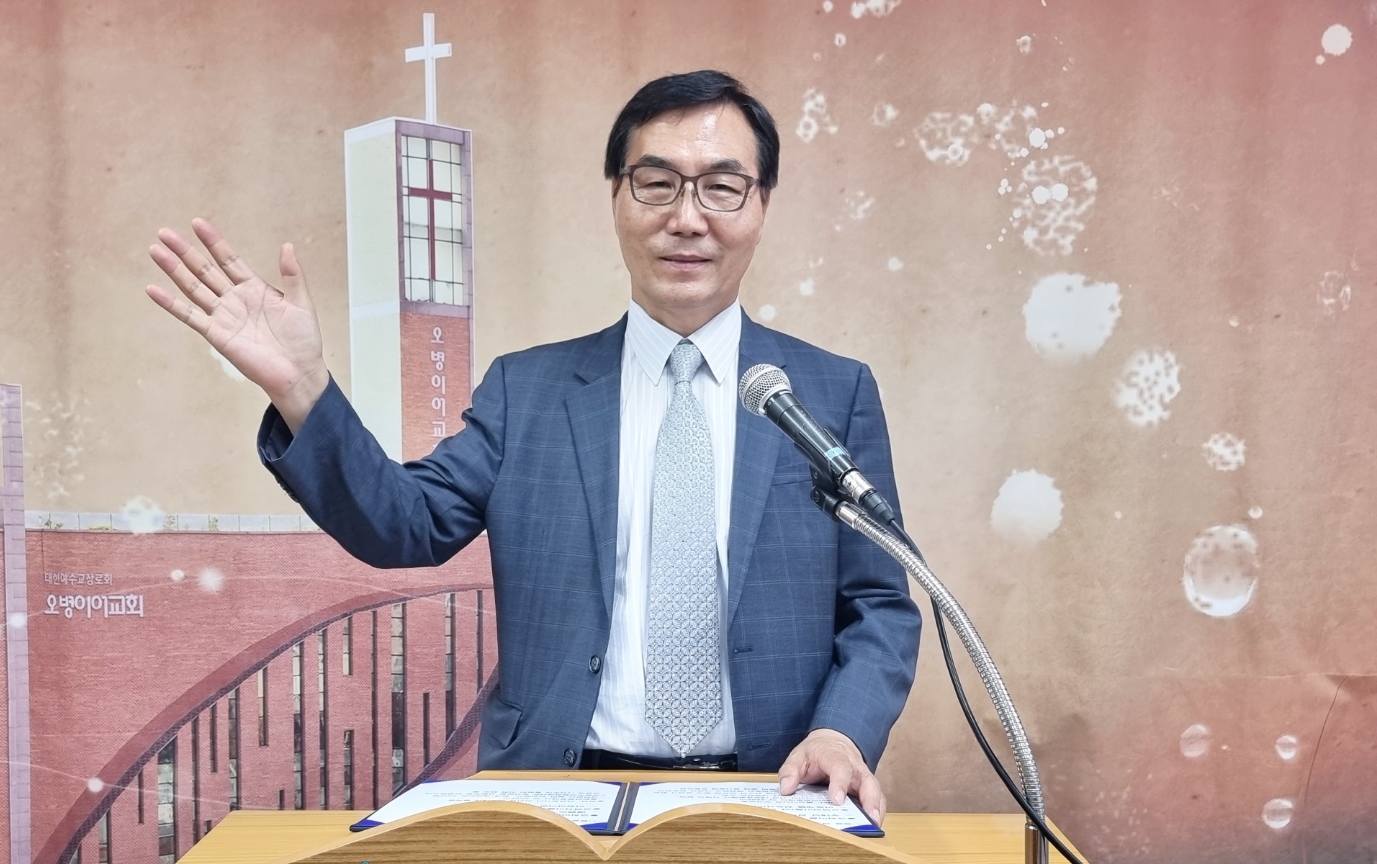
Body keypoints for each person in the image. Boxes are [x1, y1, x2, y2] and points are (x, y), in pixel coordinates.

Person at [146, 70, 920, 821]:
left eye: (722, 187)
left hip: (773, 792)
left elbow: (880, 603)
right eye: (657, 184)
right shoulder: (529, 392)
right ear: (616, 196)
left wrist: (843, 731)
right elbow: (403, 524)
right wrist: (304, 390)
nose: (687, 218)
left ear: (761, 204)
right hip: (559, 793)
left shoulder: (829, 393)